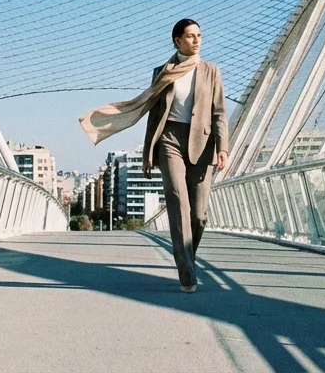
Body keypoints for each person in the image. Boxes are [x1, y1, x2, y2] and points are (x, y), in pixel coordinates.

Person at [78, 19, 227, 292]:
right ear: (177, 41)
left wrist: (223, 148)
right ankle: (187, 274)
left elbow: (218, 112)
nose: (197, 40)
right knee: (178, 200)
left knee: (200, 214)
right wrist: (148, 153)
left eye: (199, 35)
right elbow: (154, 116)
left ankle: (186, 259)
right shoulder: (163, 72)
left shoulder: (211, 71)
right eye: (191, 36)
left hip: (202, 143)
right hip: (169, 139)